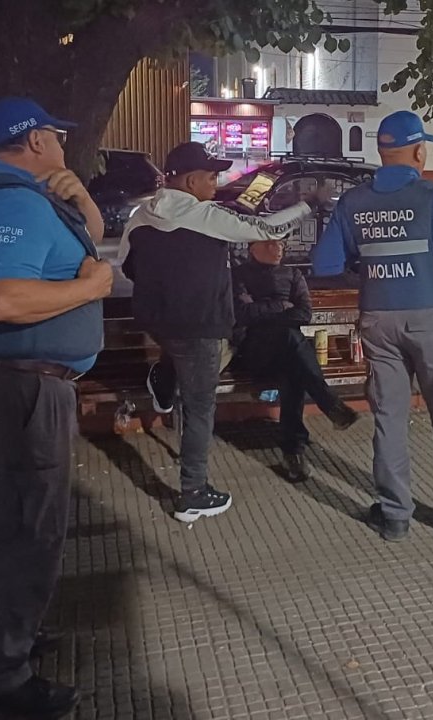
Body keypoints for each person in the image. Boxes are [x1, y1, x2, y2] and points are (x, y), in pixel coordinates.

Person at [0, 97, 113, 718]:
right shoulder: (12, 203)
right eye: (57, 135)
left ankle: (1, 635)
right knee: (28, 532)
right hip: (21, 387)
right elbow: (3, 300)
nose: (64, 145)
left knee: (11, 521)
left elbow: (78, 244)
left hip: (14, 381)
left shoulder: (14, 196)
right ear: (37, 140)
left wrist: (82, 202)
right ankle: (1, 677)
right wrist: (91, 288)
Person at [311, 110, 433, 543]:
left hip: (378, 321)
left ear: (381, 152)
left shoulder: (353, 202)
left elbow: (325, 264)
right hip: (431, 321)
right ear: (419, 151)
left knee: (389, 419)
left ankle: (394, 516)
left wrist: (369, 264)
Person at [120, 142, 313, 522]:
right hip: (202, 325)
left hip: (158, 321)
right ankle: (193, 493)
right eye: (211, 177)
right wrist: (307, 206)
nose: (216, 183)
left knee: (181, 356)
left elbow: (126, 264)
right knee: (200, 409)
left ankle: (163, 379)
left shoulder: (141, 216)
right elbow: (266, 229)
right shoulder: (204, 215)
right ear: (191, 181)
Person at [231, 238, 361, 481]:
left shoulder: (292, 275)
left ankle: (295, 454)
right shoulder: (239, 275)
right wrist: (282, 305)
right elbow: (243, 313)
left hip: (286, 353)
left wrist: (265, 310)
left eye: (281, 243)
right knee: (291, 342)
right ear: (253, 248)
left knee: (293, 369)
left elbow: (304, 313)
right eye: (270, 243)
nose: (278, 248)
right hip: (254, 353)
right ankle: (330, 406)